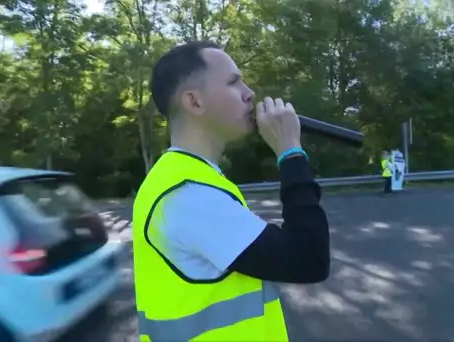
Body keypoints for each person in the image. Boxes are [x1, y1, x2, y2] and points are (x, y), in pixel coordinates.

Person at [132, 40, 330, 342]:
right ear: (194, 102)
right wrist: (291, 153)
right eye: (234, 82)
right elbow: (308, 259)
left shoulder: (186, 179)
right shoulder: (186, 196)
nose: (249, 93)